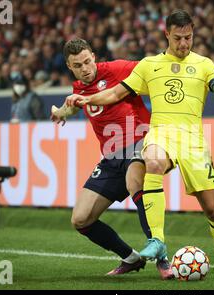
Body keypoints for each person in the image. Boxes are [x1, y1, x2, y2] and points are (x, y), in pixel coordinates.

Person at [64, 10, 214, 272]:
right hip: (160, 134)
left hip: (193, 142)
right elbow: (115, 93)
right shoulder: (149, 65)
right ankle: (157, 241)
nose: (183, 44)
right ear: (167, 34)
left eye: (188, 37)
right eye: (178, 38)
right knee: (149, 162)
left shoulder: (204, 64)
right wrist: (87, 99)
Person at [51, 38, 173, 279]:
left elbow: (150, 66)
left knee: (135, 182)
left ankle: (161, 255)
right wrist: (60, 113)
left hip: (139, 140)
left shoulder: (117, 69)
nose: (85, 68)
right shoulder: (79, 89)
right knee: (80, 219)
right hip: (111, 157)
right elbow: (74, 105)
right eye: (78, 65)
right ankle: (130, 257)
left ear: (94, 56)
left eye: (87, 61)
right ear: (69, 66)